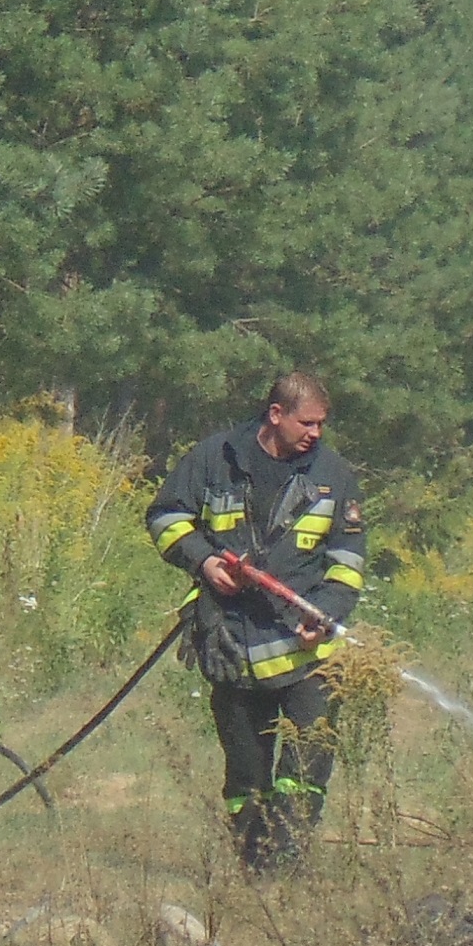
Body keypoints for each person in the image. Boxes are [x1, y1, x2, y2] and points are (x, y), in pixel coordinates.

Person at [146, 373, 366, 872]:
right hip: (233, 648)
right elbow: (164, 516)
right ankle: (252, 873)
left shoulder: (333, 474)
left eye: (322, 424)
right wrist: (204, 561)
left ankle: (286, 871)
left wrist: (327, 612)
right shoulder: (214, 458)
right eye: (306, 423)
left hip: (309, 656)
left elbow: (348, 557)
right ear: (275, 415)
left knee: (306, 767)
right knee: (247, 780)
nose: (316, 434)